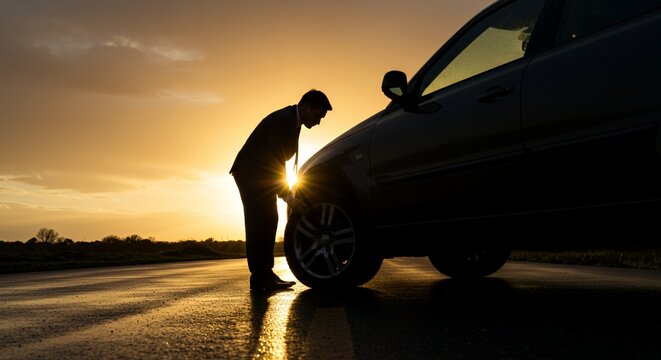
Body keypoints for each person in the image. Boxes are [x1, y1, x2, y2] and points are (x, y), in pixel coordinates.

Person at [230, 90, 332, 291]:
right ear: (305, 107)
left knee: (268, 220)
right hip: (252, 174)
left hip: (261, 175)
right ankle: (260, 277)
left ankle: (264, 274)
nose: (318, 122)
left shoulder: (293, 121)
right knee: (259, 221)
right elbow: (274, 159)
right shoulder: (283, 120)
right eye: (318, 116)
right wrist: (286, 195)